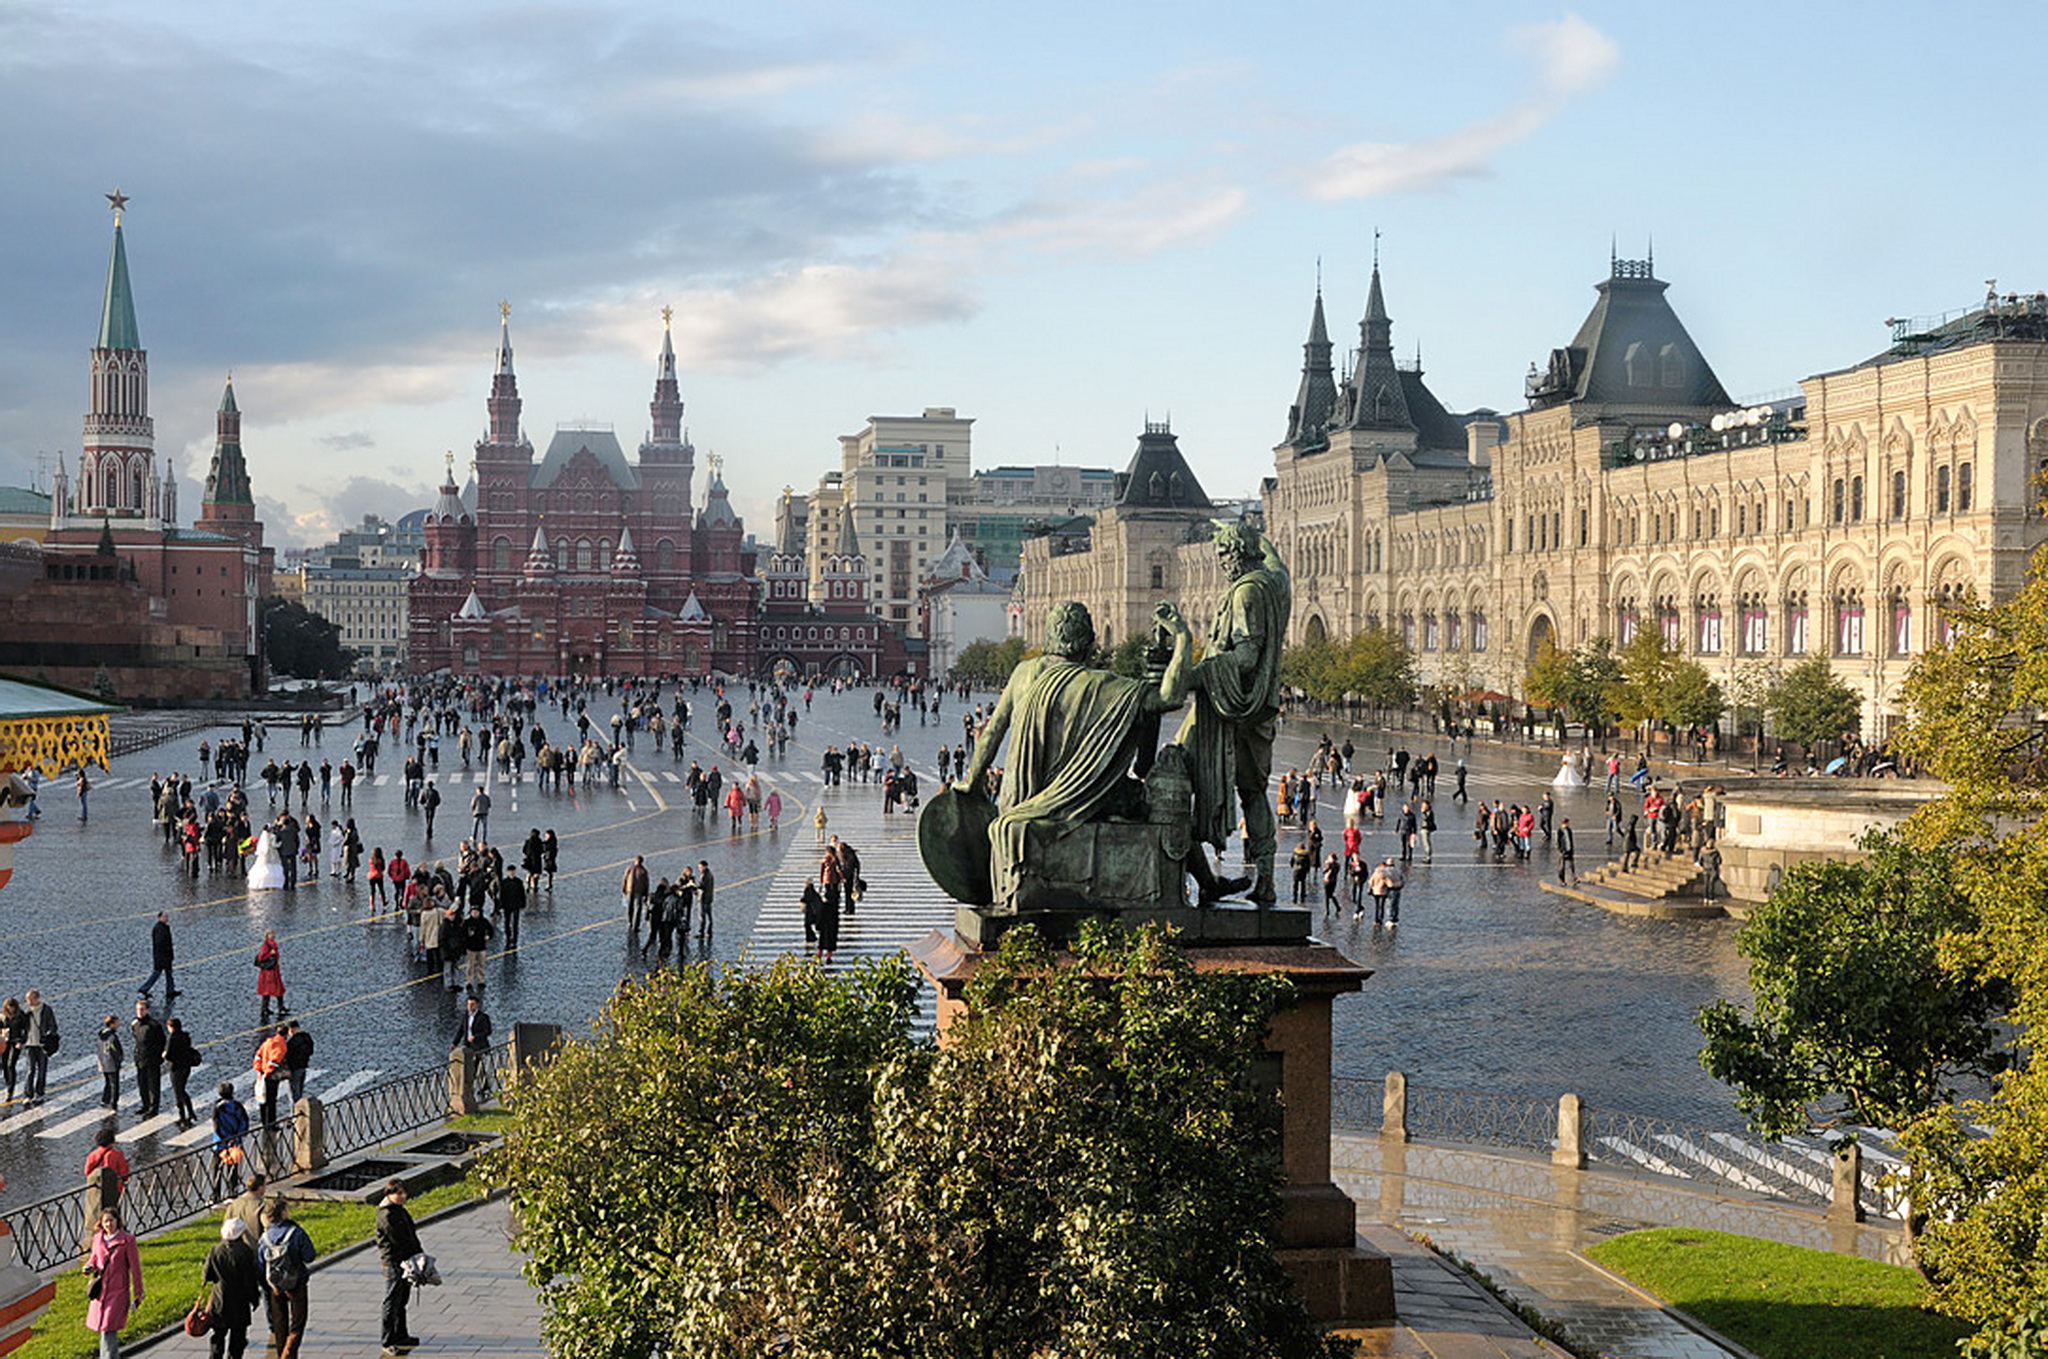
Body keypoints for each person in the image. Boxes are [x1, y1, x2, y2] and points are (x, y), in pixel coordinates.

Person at [956, 598, 1193, 903]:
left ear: (1049, 637)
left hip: (1021, 802)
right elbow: (1169, 697)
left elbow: (992, 733)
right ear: (1089, 644)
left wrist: (972, 782)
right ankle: (1188, 888)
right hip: (1086, 801)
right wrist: (1183, 638)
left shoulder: (1023, 673)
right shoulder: (1105, 685)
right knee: (1168, 809)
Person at [1174, 523, 1289, 903]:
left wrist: (1197, 674)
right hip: (1259, 715)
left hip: (1228, 709)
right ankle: (1265, 883)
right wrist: (1254, 533)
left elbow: (1246, 655)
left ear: (1237, 552)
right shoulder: (1275, 584)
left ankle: (1192, 877)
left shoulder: (1246, 594)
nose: (1222, 564)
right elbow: (1279, 563)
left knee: (1173, 776)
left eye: (1224, 554)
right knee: (1254, 793)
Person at [257, 1198, 315, 1359]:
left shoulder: (265, 1237)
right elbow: (310, 1256)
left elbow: (261, 1264)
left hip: (275, 1285)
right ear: (283, 1212)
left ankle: (281, 1351)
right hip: (296, 1283)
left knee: (280, 1323)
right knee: (298, 1323)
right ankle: (288, 1355)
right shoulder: (296, 1232)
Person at [83, 1207, 142, 1359]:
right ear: (101, 1224)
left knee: (108, 1328)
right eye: (105, 1221)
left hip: (118, 1291)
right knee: (104, 1330)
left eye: (111, 1220)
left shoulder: (127, 1240)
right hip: (101, 1292)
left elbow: (135, 1268)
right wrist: (89, 1266)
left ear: (118, 1221)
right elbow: (95, 1258)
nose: (109, 1224)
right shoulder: (97, 1239)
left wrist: (138, 1293)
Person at [374, 1179, 422, 1355]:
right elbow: (399, 1240)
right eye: (399, 1193)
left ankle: (401, 1335)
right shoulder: (386, 1215)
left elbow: (410, 1234)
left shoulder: (399, 1210)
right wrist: (413, 1255)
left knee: (402, 1300)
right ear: (389, 1194)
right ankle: (387, 1340)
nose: (403, 1196)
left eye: (404, 1193)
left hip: (406, 1261)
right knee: (391, 1302)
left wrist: (419, 1254)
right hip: (394, 1263)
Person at [203, 1216, 263, 1359]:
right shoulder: (245, 1252)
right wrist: (254, 1299)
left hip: (220, 1300)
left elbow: (207, 1275)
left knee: (218, 1336)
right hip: (239, 1302)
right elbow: (250, 1280)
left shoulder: (215, 1250)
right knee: (237, 1338)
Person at [212, 1082, 251, 1199]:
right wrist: (237, 1137)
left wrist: (224, 1139)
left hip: (219, 1143)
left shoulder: (217, 1107)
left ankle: (216, 1194)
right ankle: (232, 1192)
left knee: (217, 1169)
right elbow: (244, 1122)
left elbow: (217, 1126)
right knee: (233, 1169)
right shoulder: (238, 1106)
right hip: (235, 1142)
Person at [130, 998, 166, 1117]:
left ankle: (153, 1107)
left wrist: (158, 1057)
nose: (139, 1012)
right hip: (140, 1058)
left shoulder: (154, 1025)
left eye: (142, 1009)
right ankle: (145, 1105)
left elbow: (161, 1041)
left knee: (154, 1085)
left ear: (147, 1010)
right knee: (142, 1084)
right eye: (138, 1009)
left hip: (152, 1059)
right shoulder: (135, 1023)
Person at [20, 988, 57, 1103]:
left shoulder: (46, 1010)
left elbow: (53, 1026)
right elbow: (22, 1028)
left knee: (42, 1070)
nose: (28, 1002)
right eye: (27, 1000)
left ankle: (39, 1093)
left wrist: (49, 1035)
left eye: (30, 999)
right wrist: (21, 1040)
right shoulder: (26, 1011)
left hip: (42, 1046)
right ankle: (28, 1094)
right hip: (30, 1044)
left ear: (37, 998)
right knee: (30, 1070)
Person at [166, 1017, 202, 1125]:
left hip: (176, 1068)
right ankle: (190, 1112)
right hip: (186, 1067)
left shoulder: (172, 1038)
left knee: (178, 1092)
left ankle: (182, 1116)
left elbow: (168, 1055)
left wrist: (164, 1055)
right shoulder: (185, 1036)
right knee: (182, 1090)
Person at [254, 1026, 289, 1129]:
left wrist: (259, 1069)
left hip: (262, 1074)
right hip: (271, 1076)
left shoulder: (268, 1042)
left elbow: (258, 1055)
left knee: (263, 1099)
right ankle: (271, 1123)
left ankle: (264, 1122)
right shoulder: (281, 1044)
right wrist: (268, 1071)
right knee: (271, 1100)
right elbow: (276, 1059)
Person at [140, 911, 179, 1000]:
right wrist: (166, 954)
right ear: (160, 917)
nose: (167, 918)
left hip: (164, 956)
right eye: (165, 916)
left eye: (167, 916)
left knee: (168, 974)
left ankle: (170, 990)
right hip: (162, 956)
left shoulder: (162, 927)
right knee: (157, 973)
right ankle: (144, 988)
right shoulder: (160, 928)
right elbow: (160, 944)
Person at [85, 1126, 131, 1196]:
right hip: (114, 1189)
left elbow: (87, 1172)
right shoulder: (117, 1155)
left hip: (96, 1190)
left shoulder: (92, 1155)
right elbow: (124, 1174)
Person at [254, 931, 286, 1021]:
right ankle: (266, 1009)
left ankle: (278, 1007)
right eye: (270, 934)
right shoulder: (266, 946)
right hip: (268, 973)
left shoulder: (273, 944)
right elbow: (261, 957)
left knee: (277, 989)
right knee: (268, 991)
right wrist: (270, 954)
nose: (273, 935)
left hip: (274, 970)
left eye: (273, 934)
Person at [96, 1013, 123, 1109]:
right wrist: (119, 1059)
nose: (118, 1026)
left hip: (103, 1063)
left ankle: (105, 1099)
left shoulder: (100, 1035)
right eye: (116, 1024)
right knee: (114, 1084)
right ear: (112, 1024)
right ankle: (113, 1102)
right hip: (112, 1063)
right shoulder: (112, 1037)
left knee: (107, 1082)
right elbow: (115, 1050)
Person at [283, 1021, 314, 1104]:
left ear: (291, 1029)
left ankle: (296, 1113)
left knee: (294, 1095)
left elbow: (287, 1056)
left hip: (294, 1069)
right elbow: (311, 1051)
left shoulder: (292, 1042)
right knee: (300, 1091)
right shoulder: (307, 1038)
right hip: (303, 1067)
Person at [0, 996, 23, 1103]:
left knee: (11, 1064)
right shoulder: (2, 1016)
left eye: (12, 1008)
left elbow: (25, 1030)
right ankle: (8, 1083)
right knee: (4, 1065)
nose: (11, 1010)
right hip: (5, 1042)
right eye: (9, 1008)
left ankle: (10, 1090)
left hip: (16, 1042)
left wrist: (21, 1041)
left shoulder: (20, 1016)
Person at [621, 856, 650, 932]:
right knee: (637, 908)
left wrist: (624, 889)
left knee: (630, 907)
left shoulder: (629, 869)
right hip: (638, 891)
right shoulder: (643, 871)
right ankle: (635, 925)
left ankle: (630, 922)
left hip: (630, 890)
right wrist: (646, 894)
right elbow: (646, 883)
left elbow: (624, 879)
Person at [695, 860, 715, 941]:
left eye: (700, 867)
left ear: (704, 866)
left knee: (702, 916)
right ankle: (709, 932)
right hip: (709, 898)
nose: (699, 869)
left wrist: (693, 885)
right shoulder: (710, 875)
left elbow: (700, 886)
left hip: (703, 899)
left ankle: (701, 933)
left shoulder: (705, 876)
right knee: (709, 916)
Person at [1557, 817, 1578, 885]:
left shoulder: (1569, 830)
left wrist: (1571, 849)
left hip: (1569, 850)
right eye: (1566, 823)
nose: (1567, 825)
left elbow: (1571, 840)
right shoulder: (1560, 831)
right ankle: (1561, 879)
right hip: (1563, 851)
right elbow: (1558, 841)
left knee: (1571, 865)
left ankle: (1573, 878)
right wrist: (1561, 850)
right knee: (1562, 867)